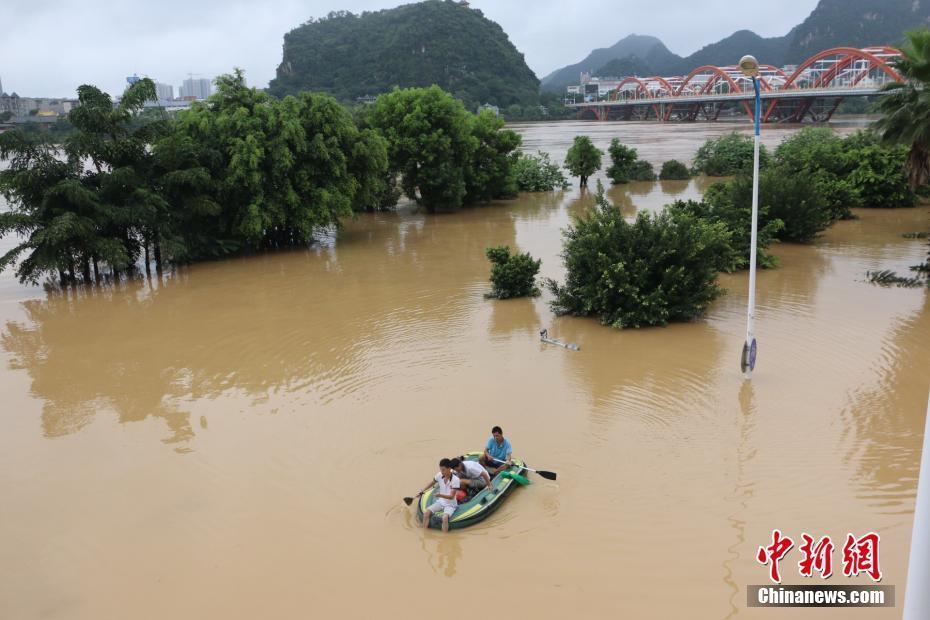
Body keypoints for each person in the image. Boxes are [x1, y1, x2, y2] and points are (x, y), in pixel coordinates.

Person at [421, 458, 460, 533]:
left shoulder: (456, 480)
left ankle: (444, 538)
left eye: (443, 470)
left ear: (449, 469)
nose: (442, 472)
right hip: (441, 502)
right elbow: (432, 482)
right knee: (426, 513)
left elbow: (451, 497)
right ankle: (424, 533)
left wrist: (440, 495)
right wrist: (422, 490)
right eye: (441, 469)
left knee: (444, 518)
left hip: (451, 504)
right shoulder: (439, 475)